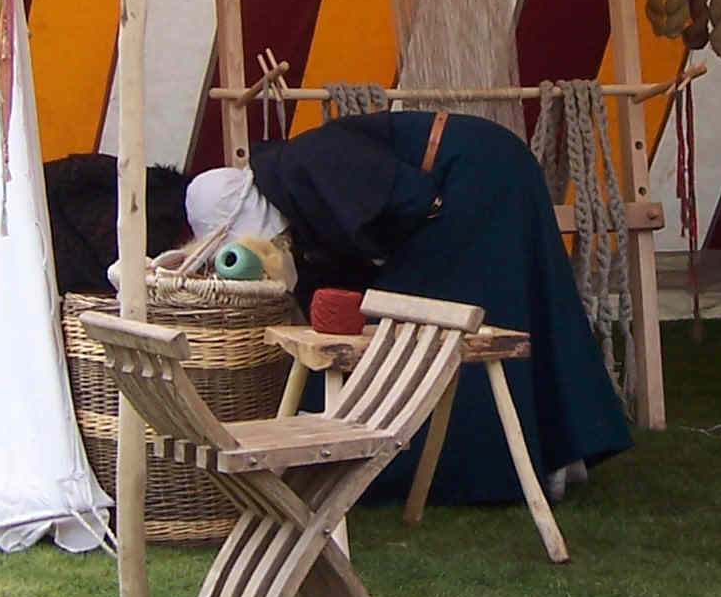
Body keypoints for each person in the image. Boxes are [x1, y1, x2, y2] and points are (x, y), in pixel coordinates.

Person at [185, 109, 632, 506]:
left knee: (429, 328)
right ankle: (558, 450)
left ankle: (488, 471)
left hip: (476, 176)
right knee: (516, 305)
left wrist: (405, 271)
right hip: (487, 170)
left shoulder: (305, 161)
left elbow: (411, 198)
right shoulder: (299, 191)